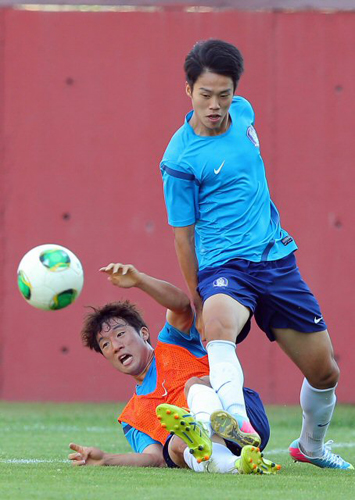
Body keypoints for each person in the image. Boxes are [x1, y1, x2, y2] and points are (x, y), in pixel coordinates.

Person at [160, 39, 353, 470]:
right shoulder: (179, 159)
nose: (215, 105)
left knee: (325, 374)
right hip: (225, 268)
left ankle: (311, 448)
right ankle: (239, 424)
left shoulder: (244, 113)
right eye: (205, 94)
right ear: (187, 89)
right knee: (220, 325)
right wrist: (197, 295)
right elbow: (182, 236)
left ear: (235, 92)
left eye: (223, 94)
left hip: (277, 262)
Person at [68, 262, 279, 474]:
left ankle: (203, 428)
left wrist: (140, 280)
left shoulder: (174, 342)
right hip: (199, 450)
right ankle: (235, 465)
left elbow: (181, 305)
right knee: (176, 444)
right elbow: (155, 457)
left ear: (143, 333)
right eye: (105, 345)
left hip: (246, 417)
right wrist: (106, 459)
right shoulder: (131, 418)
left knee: (195, 385)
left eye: (120, 334)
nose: (115, 346)